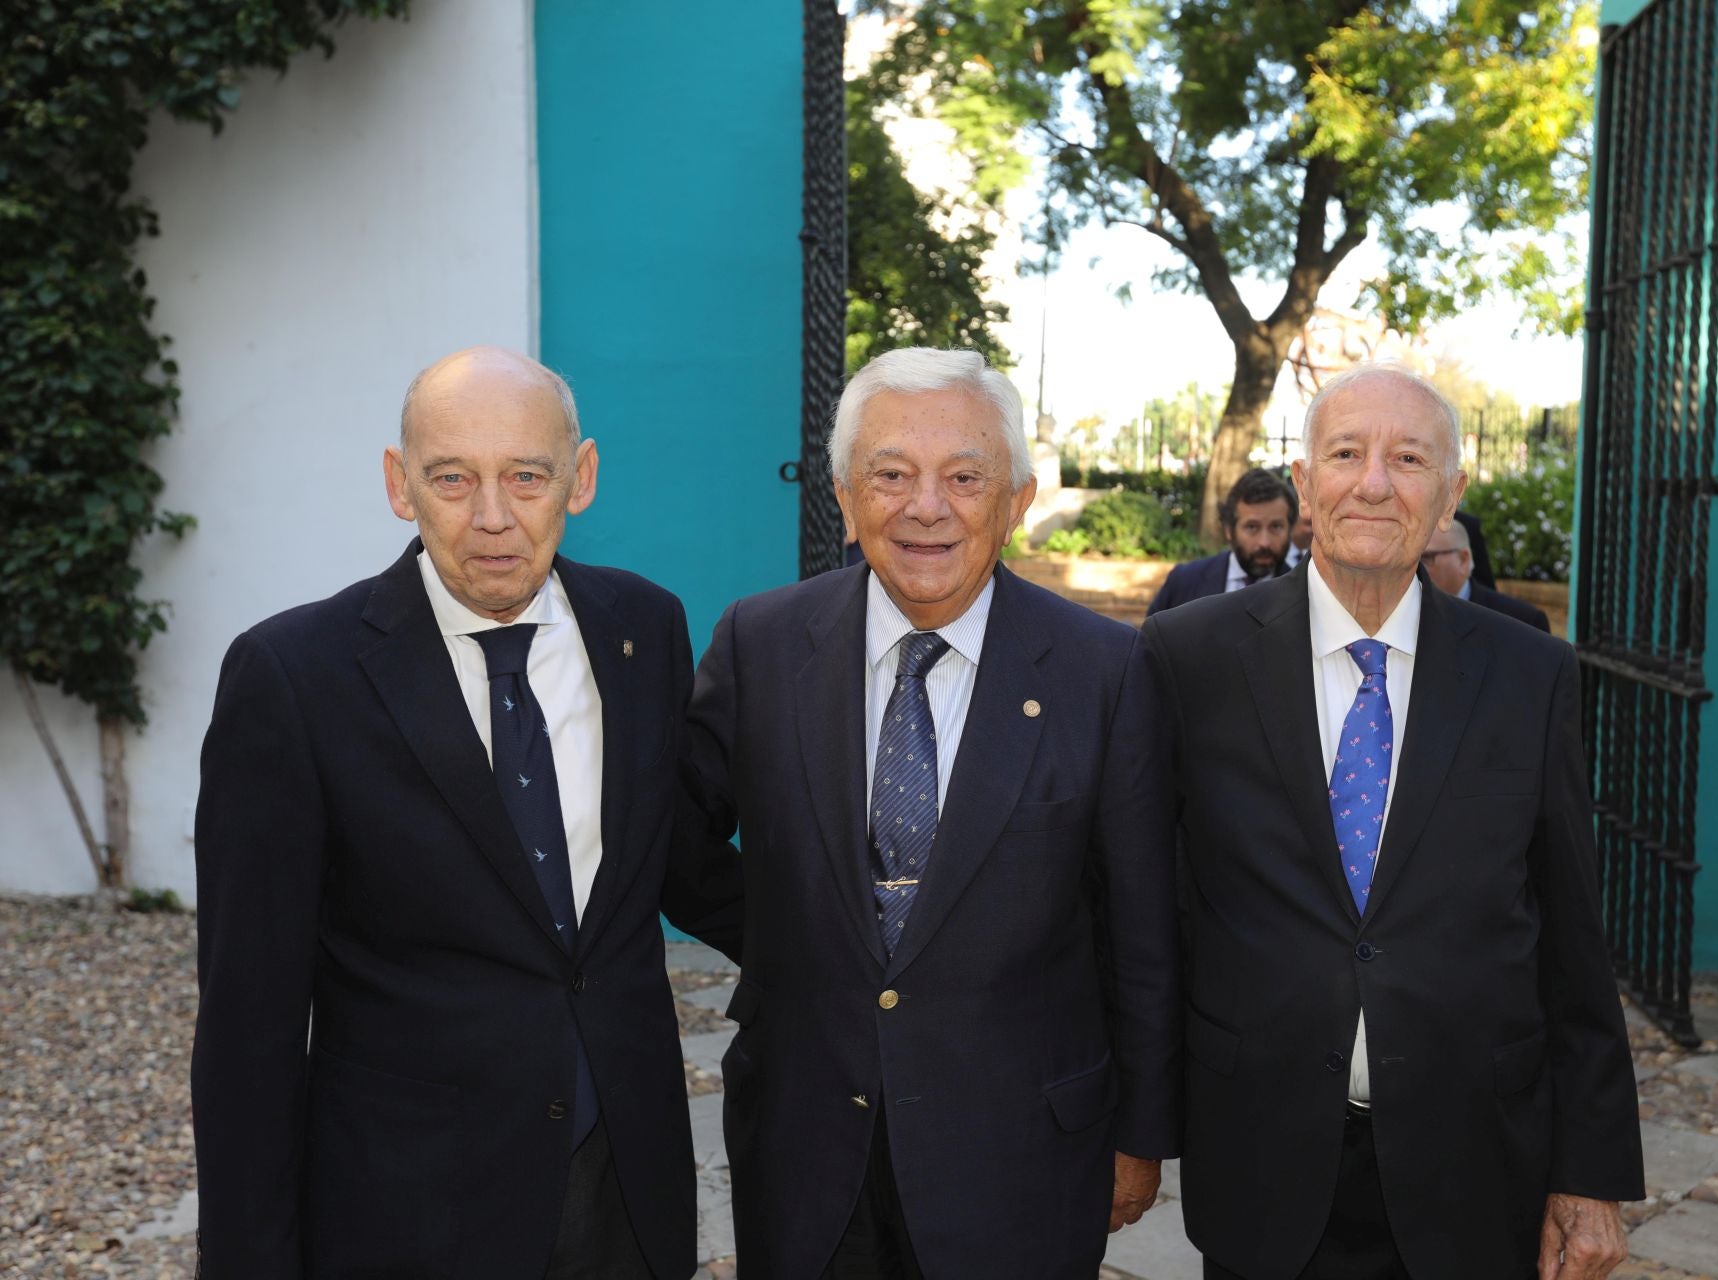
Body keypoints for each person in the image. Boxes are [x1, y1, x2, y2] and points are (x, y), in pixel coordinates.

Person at [191, 346, 745, 1280]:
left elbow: (674, 857)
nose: (492, 517)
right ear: (399, 485)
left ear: (583, 478)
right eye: (453, 478)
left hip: (626, 1192)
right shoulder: (294, 677)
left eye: (526, 476)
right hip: (410, 1212)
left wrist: (880, 956)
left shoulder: (643, 628)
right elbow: (251, 1025)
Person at [683, 347, 1182, 1279]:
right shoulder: (761, 642)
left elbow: (1142, 925)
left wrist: (1141, 1133)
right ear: (843, 494)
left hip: (1023, 1156)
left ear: (1018, 498)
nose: (926, 507)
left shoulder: (1102, 672)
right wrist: (787, 933)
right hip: (805, 1143)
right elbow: (673, 838)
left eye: (964, 477)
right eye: (891, 475)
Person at [1142, 363, 1641, 1280]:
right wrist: (1137, 1129)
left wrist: (1590, 1173)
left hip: (1476, 1162)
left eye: (1408, 458)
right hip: (1261, 1155)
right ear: (1304, 482)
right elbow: (1144, 907)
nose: (1373, 482)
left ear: (1450, 495)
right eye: (1345, 453)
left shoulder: (1531, 676)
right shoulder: (1191, 657)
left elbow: (1572, 936)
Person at [1147, 467, 1297, 615]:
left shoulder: (1302, 594)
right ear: (1228, 530)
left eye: (1276, 527)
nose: (1264, 542)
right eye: (1252, 527)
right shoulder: (1184, 582)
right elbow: (1149, 638)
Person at [1421, 520, 1551, 632]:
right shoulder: (1407, 613)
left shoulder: (1522, 621)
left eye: (1426, 558)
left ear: (1463, 560)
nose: (1416, 567)